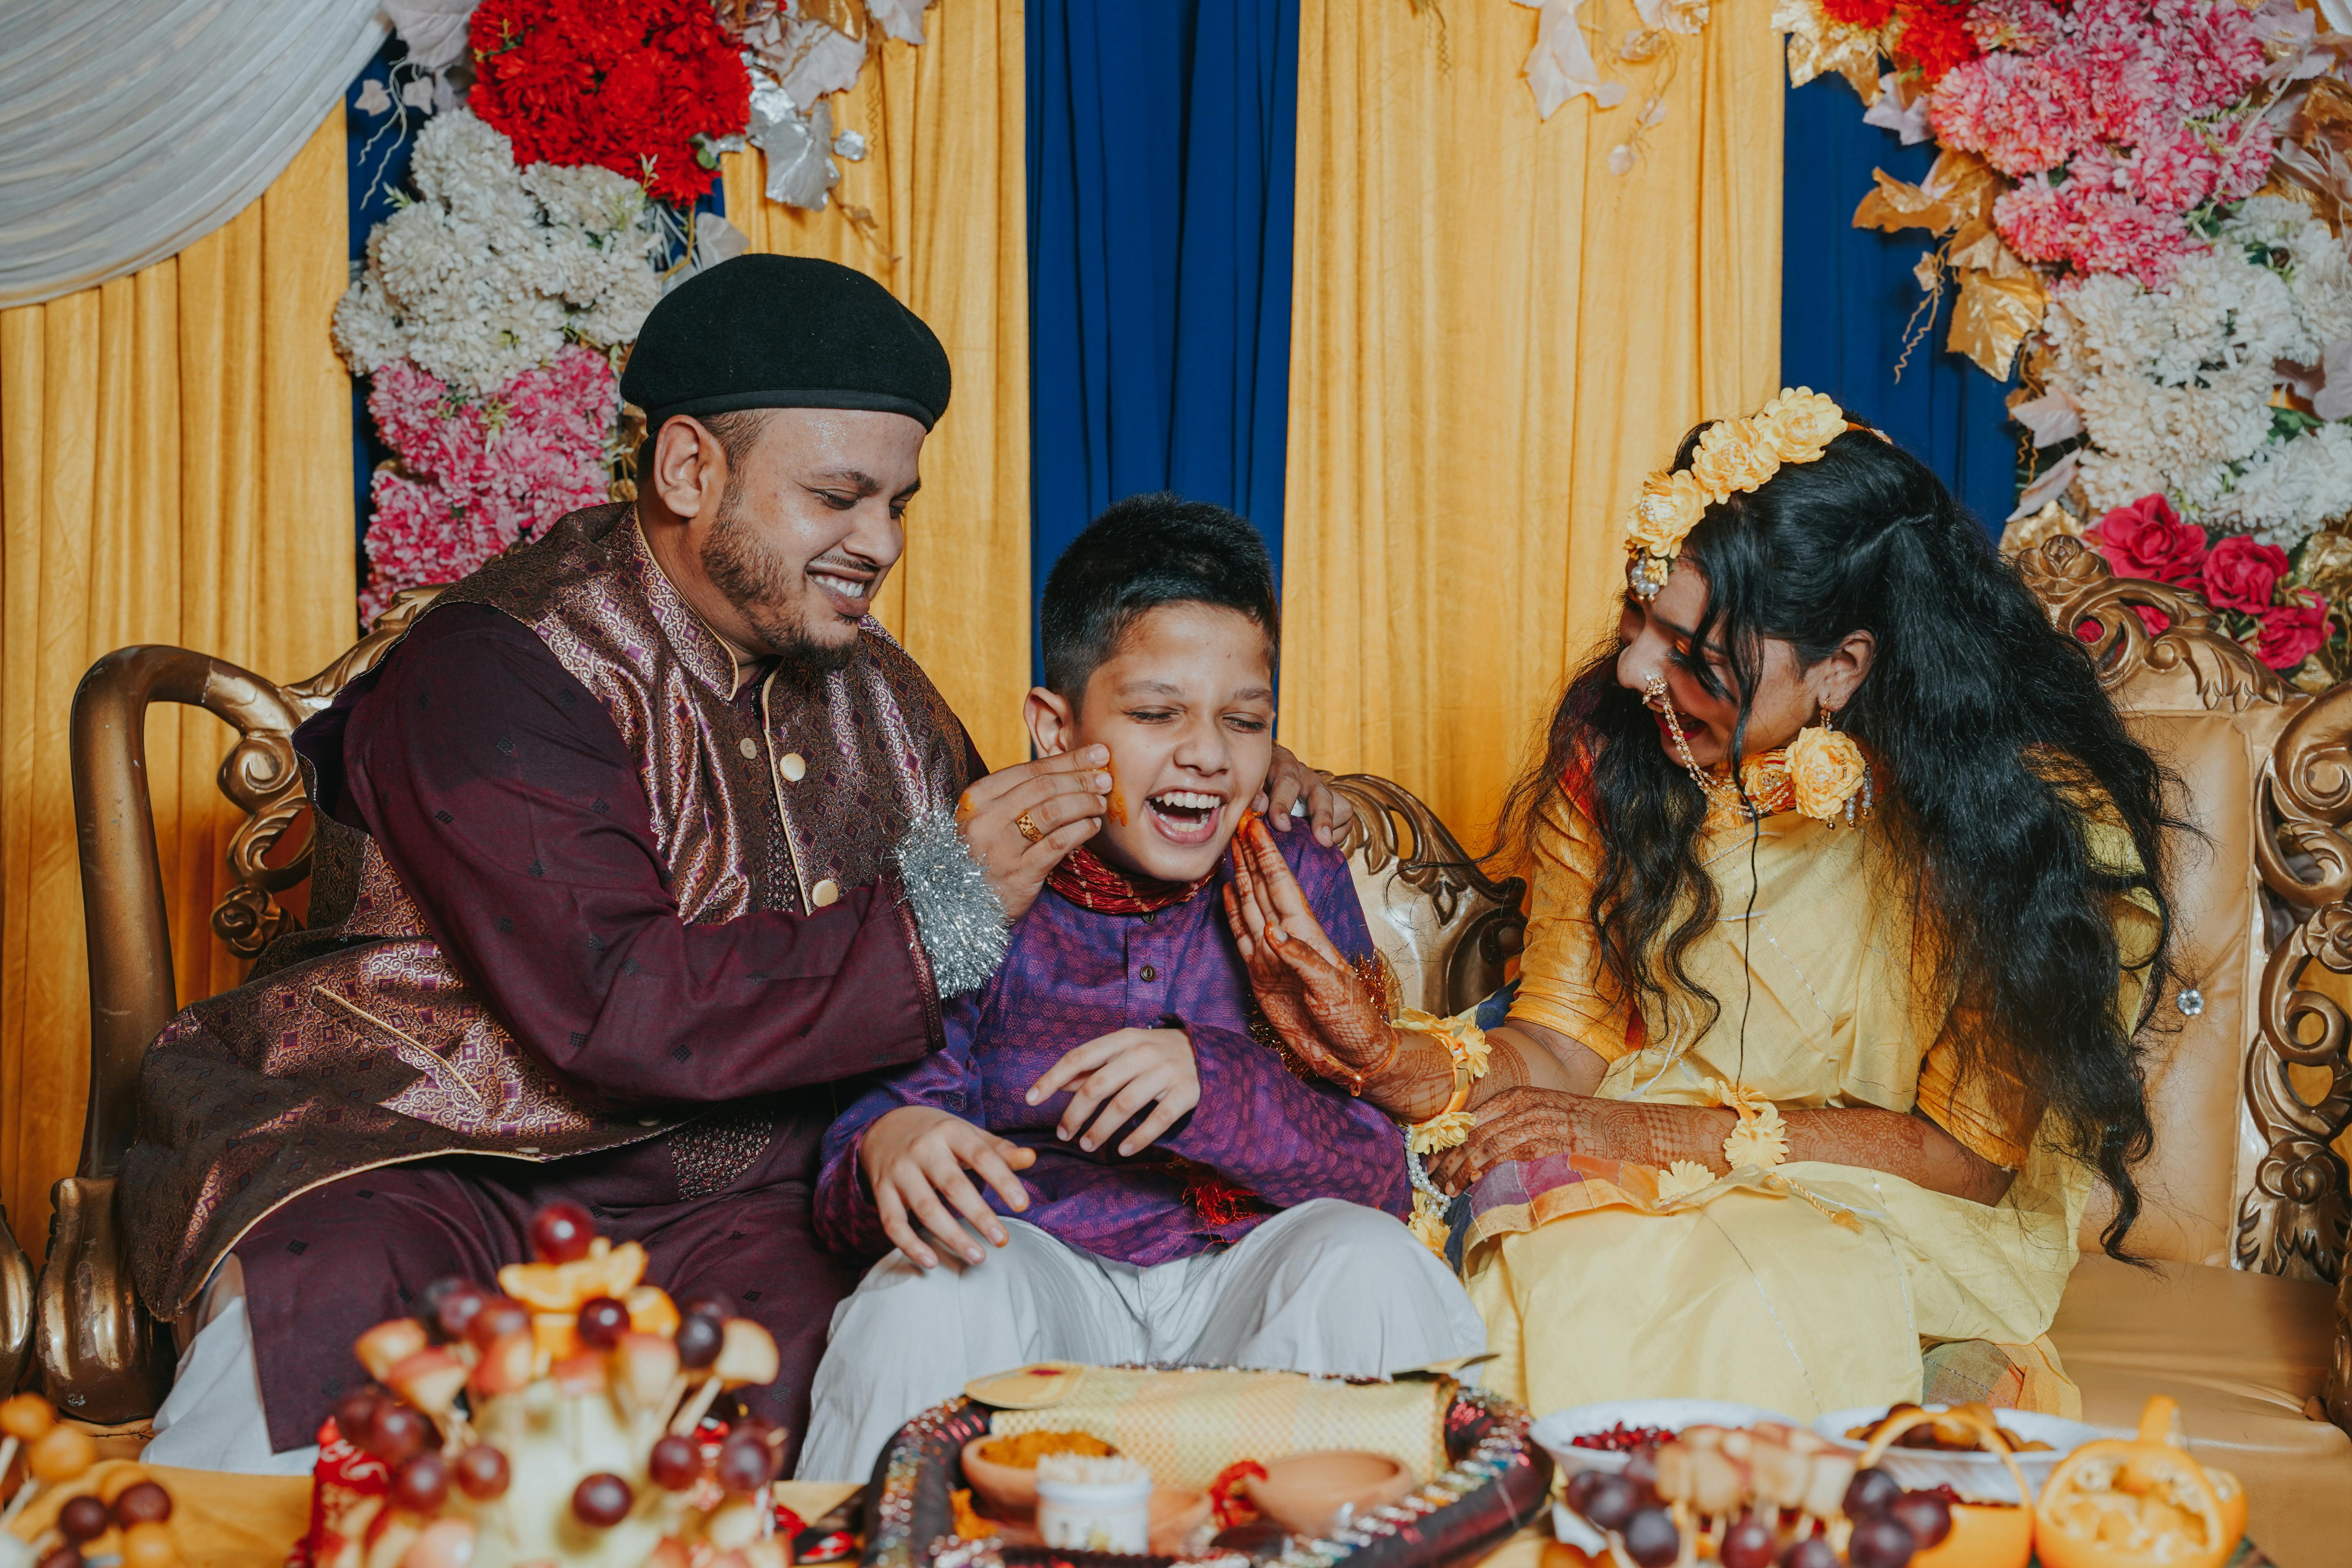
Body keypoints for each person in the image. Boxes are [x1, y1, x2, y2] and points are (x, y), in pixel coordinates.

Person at [129, 257, 1348, 1474]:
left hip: (737, 1202)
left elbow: (1044, 887)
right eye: (838, 497)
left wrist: (1239, 769)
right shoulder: (501, 668)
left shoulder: (884, 696)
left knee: (891, 1341)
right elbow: (614, 999)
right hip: (424, 1155)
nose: (879, 544)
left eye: (898, 506)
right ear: (688, 469)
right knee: (329, 1327)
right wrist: (937, 910)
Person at [1225, 390, 2175, 1422]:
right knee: (1550, 1272)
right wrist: (1382, 1057)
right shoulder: (1623, 757)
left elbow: (1966, 1159)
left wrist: (1654, 1136)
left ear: (1841, 668)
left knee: (1756, 1291)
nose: (1635, 668)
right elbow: (1561, 1044)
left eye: (1693, 653)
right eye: (1641, 617)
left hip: (1901, 1208)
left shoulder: (2030, 828)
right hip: (1630, 1151)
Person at [795, 495, 1483, 1483]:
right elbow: (856, 1166)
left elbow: (1373, 1175)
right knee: (922, 1295)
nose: (1207, 752)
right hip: (1038, 1270)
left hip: (1244, 1281)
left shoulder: (1293, 873)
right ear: (1055, 725)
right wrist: (888, 1144)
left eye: (1244, 720)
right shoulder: (973, 866)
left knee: (1371, 1260)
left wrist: (1220, 1081)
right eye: (1157, 714)